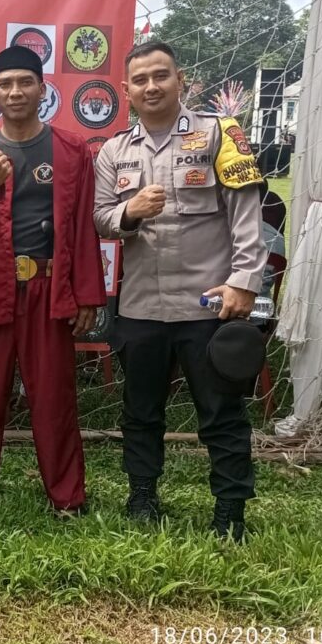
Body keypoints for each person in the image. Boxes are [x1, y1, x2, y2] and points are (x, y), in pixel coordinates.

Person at [94, 41, 265, 542]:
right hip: (142, 306)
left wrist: (243, 282)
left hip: (208, 303)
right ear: (126, 90)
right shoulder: (113, 151)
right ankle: (143, 495)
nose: (151, 86)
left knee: (220, 410)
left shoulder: (220, 134)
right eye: (140, 80)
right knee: (140, 410)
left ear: (181, 79)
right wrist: (129, 213)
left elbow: (246, 214)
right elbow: (101, 218)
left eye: (160, 76)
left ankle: (230, 508)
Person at [0, 45, 106, 515]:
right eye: (6, 84)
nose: (15, 91)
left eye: (25, 82)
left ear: (42, 89)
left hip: (50, 289)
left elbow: (82, 228)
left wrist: (88, 295)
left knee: (54, 393)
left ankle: (66, 495)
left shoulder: (72, 148)